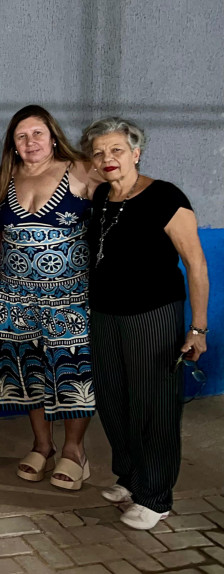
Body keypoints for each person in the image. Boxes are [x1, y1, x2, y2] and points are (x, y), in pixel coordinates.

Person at [81, 116, 209, 529]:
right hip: (104, 314)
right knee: (114, 400)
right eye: (99, 152)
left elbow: (196, 265)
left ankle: (155, 497)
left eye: (117, 150)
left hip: (151, 315)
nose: (107, 158)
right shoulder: (102, 196)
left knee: (152, 406)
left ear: (136, 152)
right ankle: (132, 478)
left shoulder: (165, 197)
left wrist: (198, 328)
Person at [0, 104, 99, 490]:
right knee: (30, 371)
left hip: (70, 297)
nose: (30, 142)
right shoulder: (5, 177)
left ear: (53, 136)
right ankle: (42, 445)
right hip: (16, 296)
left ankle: (74, 450)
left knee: (73, 372)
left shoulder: (81, 170)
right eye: (21, 136)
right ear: (13, 145)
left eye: (37, 133)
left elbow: (124, 189)